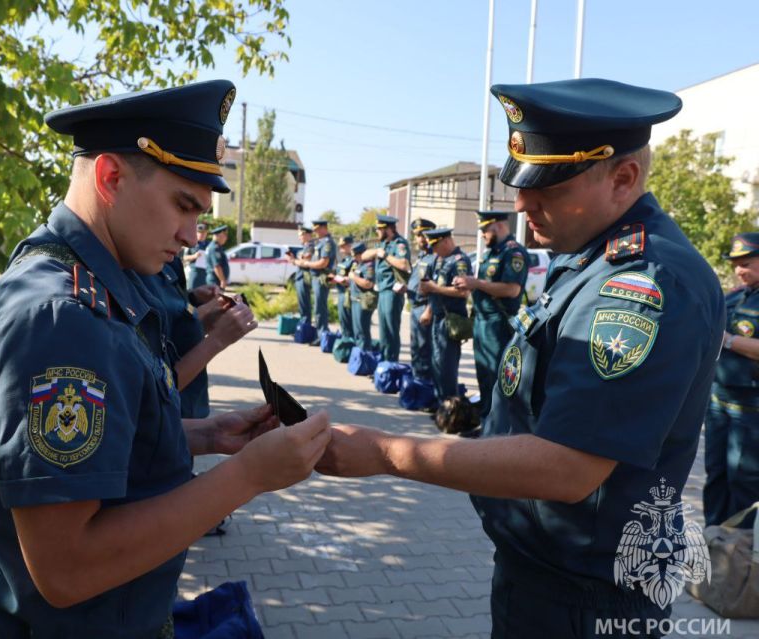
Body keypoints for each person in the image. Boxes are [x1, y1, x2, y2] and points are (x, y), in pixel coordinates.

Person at [318, 78, 724, 639]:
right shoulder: (586, 259)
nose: (523, 203)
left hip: (583, 599)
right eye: (521, 183)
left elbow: (569, 466)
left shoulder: (643, 281)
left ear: (623, 178)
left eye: (549, 186)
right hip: (545, 577)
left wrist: (386, 452)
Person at [0, 80, 331, 637]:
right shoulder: (62, 319)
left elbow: (109, 449)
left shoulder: (100, 285)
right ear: (111, 177)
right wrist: (247, 476)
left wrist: (207, 435)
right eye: (183, 205)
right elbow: (66, 568)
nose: (190, 235)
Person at [143, 255, 256, 419]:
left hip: (190, 409)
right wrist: (217, 339)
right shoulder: (134, 269)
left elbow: (173, 332)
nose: (191, 240)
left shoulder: (168, 261)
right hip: (166, 420)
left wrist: (196, 308)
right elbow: (154, 392)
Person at [704, 231, 759, 528]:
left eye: (747, 262)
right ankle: (714, 540)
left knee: (745, 483)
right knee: (716, 476)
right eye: (736, 263)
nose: (739, 269)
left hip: (751, 410)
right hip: (718, 400)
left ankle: (741, 552)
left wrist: (728, 341)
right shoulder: (735, 295)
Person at [453, 211, 529, 422]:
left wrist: (475, 283)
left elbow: (512, 290)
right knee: (484, 375)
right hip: (482, 321)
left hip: (498, 323)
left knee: (497, 378)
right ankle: (486, 422)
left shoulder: (514, 253)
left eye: (485, 230)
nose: (483, 235)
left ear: (498, 226)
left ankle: (498, 426)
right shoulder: (492, 252)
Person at [418, 227, 471, 404]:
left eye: (436, 245)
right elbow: (434, 291)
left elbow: (463, 292)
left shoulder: (459, 261)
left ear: (447, 241)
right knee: (437, 364)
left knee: (447, 366)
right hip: (438, 317)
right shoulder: (440, 260)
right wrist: (429, 308)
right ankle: (441, 403)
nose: (433, 250)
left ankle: (450, 407)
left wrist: (433, 288)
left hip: (451, 320)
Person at [362, 214, 411, 362]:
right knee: (383, 331)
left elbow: (404, 264)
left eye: (379, 229)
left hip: (392, 291)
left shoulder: (399, 244)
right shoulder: (382, 244)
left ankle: (391, 362)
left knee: (391, 329)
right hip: (382, 290)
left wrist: (386, 256)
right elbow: (364, 256)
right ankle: (384, 362)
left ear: (388, 229)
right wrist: (377, 252)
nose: (377, 232)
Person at [406, 218, 438, 380]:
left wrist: (429, 310)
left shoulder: (435, 258)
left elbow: (436, 288)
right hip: (415, 306)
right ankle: (417, 383)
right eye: (417, 235)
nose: (419, 239)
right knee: (416, 348)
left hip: (425, 308)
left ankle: (424, 387)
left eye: (422, 235)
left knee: (425, 349)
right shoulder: (422, 257)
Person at [302, 219, 336, 340]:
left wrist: (308, 264)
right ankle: (320, 334)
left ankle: (322, 335)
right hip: (316, 277)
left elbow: (323, 263)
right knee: (317, 307)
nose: (316, 232)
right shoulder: (320, 242)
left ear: (324, 228)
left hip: (321, 278)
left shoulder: (327, 242)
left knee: (320, 308)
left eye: (317, 230)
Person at [349, 241, 376, 352]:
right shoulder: (358, 264)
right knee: (357, 330)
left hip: (363, 301)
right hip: (355, 299)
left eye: (356, 256)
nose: (354, 258)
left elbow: (368, 283)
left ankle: (364, 354)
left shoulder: (369, 265)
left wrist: (353, 277)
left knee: (362, 330)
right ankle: (359, 353)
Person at [288, 225, 314, 327]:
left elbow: (305, 261)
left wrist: (294, 261)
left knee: (305, 304)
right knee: (302, 304)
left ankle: (306, 327)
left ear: (307, 235)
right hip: (300, 276)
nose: (300, 237)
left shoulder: (310, 247)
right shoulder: (305, 247)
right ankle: (303, 325)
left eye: (301, 235)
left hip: (304, 277)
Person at [332, 235, 355, 341]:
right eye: (340, 246)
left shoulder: (354, 261)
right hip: (341, 293)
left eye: (343, 246)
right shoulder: (344, 260)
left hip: (348, 294)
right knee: (343, 321)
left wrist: (345, 280)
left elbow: (353, 278)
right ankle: (345, 342)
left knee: (349, 322)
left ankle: (349, 343)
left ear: (350, 246)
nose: (341, 248)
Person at [182, 222, 210, 290]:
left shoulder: (209, 245)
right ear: (196, 233)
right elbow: (184, 258)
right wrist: (194, 256)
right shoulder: (190, 243)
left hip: (206, 273)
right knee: (191, 291)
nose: (201, 235)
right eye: (199, 232)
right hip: (194, 272)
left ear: (206, 233)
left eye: (203, 233)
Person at [205, 224, 230, 289]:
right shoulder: (214, 248)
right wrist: (222, 280)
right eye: (225, 236)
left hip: (215, 280)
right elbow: (217, 266)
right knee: (215, 299)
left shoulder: (215, 246)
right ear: (219, 236)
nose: (226, 238)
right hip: (215, 280)